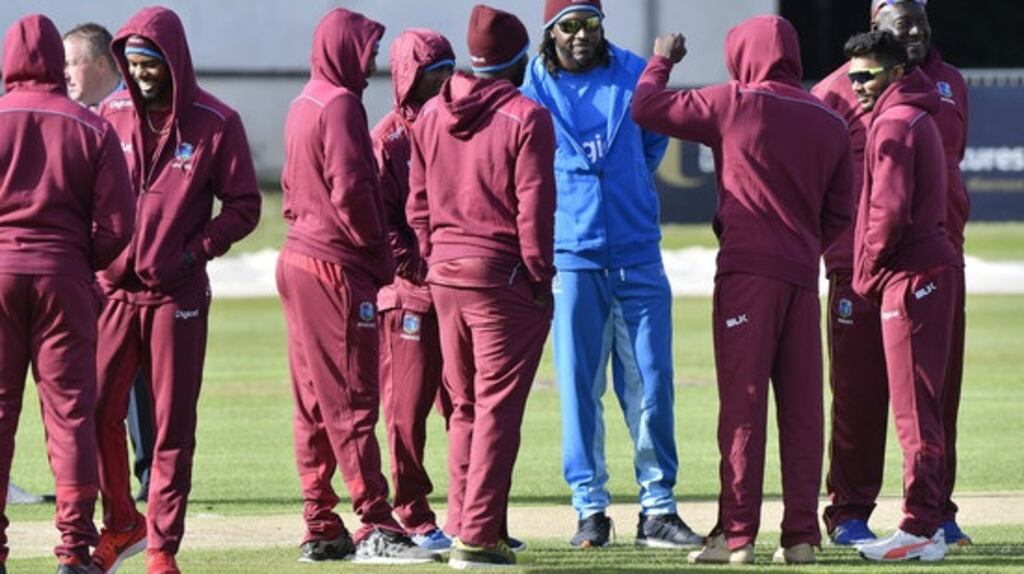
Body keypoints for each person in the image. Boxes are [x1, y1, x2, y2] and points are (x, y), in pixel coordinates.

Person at [632, 15, 854, 565]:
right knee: (803, 410)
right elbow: (841, 214)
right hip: (803, 279)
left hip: (747, 275)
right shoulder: (829, 121)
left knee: (743, 406)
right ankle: (801, 536)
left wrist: (661, 60)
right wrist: (801, 246)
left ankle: (735, 536)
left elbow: (645, 108)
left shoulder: (733, 101)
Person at [520, 0, 702, 550]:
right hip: (571, 255)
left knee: (652, 382)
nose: (580, 36)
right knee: (579, 388)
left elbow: (652, 141)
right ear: (550, 33)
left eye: (590, 24)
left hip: (637, 250)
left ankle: (658, 508)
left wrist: (624, 190)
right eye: (568, 26)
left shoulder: (631, 71)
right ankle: (590, 509)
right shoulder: (530, 84)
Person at [92, 7, 263, 574]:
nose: (141, 75)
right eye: (133, 63)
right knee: (94, 412)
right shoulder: (108, 114)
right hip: (113, 293)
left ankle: (163, 547)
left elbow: (244, 206)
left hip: (177, 296)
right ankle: (121, 522)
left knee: (171, 425)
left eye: (152, 64)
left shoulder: (217, 120)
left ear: (175, 62)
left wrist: (194, 252)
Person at [277, 7, 437, 565]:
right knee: (352, 399)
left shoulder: (305, 101)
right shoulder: (343, 104)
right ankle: (376, 524)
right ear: (346, 47)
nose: (372, 59)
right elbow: (350, 191)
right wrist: (377, 259)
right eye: (367, 48)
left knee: (315, 404)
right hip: (334, 267)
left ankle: (321, 523)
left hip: (299, 259)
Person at [813, 0, 972, 547]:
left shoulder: (947, 84)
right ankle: (850, 511)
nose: (914, 31)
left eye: (921, 20)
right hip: (857, 269)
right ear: (873, 27)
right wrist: (848, 259)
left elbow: (949, 170)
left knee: (933, 394)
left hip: (932, 261)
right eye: (901, 21)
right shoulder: (838, 90)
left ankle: (933, 512)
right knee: (858, 396)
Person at [406, 4, 556, 568]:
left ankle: (463, 523)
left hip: (445, 274)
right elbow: (533, 210)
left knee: (465, 407)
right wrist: (540, 277)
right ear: (518, 60)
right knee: (496, 409)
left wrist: (434, 257)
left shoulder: (429, 115)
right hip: (502, 279)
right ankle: (477, 536)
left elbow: (417, 206)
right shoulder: (526, 116)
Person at [1, 14, 135, 574]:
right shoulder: (92, 126)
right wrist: (81, 260)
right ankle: (74, 549)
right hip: (64, 276)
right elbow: (117, 225)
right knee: (70, 415)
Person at [839, 30, 957, 563]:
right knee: (922, 405)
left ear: (894, 72)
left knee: (913, 409)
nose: (855, 85)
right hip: (927, 267)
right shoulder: (915, 115)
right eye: (851, 75)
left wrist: (865, 272)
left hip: (909, 275)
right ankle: (927, 526)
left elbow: (886, 215)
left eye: (864, 75)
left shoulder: (893, 123)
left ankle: (918, 525)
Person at [370, 28, 456, 553]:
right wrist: (422, 268)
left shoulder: (462, 128)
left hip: (464, 292)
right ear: (409, 77)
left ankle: (476, 513)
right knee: (406, 412)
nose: (444, 84)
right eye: (433, 75)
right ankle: (413, 514)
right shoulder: (387, 140)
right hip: (411, 295)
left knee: (468, 408)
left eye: (449, 73)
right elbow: (382, 223)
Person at [63, 20, 156, 507]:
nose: (64, 73)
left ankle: (149, 471)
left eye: (71, 61)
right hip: (84, 270)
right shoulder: (75, 119)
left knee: (134, 375)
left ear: (101, 63)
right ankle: (96, 475)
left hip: (131, 269)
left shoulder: (134, 113)